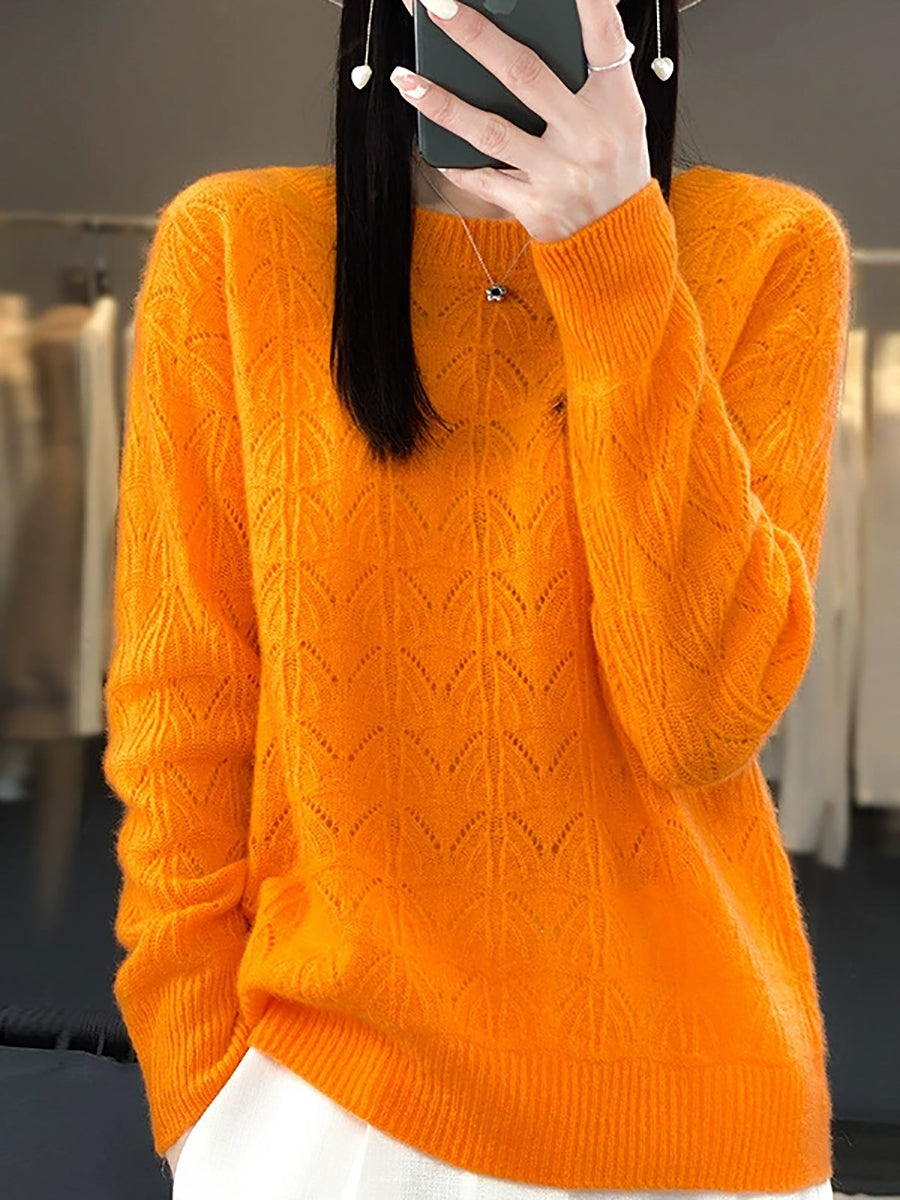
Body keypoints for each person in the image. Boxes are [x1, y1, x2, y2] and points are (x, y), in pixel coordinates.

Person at [102, 0, 853, 1195]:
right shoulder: (237, 246)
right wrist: (196, 1085)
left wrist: (616, 258)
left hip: (691, 1121)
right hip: (330, 1108)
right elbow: (183, 702)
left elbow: (699, 720)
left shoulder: (769, 249)